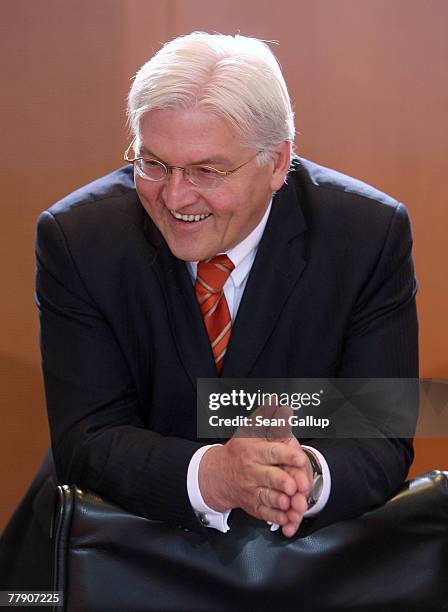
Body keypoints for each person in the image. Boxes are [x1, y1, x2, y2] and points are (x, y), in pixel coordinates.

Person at [1, 31, 418, 586]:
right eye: (153, 163)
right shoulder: (77, 238)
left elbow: (383, 430)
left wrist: (304, 480)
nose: (174, 198)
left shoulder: (367, 235)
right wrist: (215, 476)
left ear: (277, 165)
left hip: (303, 564)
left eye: (206, 171)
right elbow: (88, 439)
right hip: (115, 554)